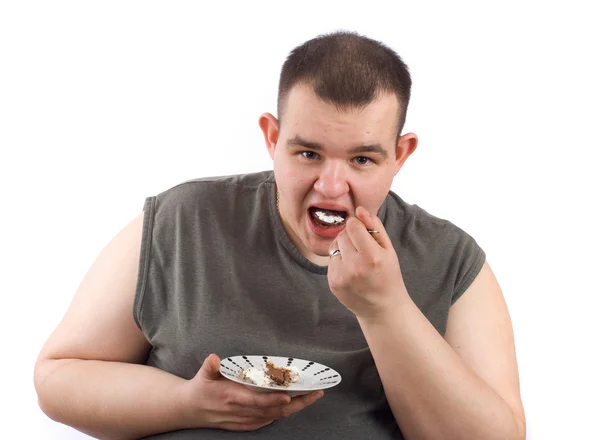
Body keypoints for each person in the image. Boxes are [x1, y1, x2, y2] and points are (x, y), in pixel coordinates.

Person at [34, 31, 526, 440]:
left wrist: (385, 308)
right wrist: (188, 403)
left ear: (401, 155)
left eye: (362, 159)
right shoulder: (182, 219)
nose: (331, 185)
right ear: (272, 138)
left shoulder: (452, 260)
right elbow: (57, 379)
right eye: (308, 154)